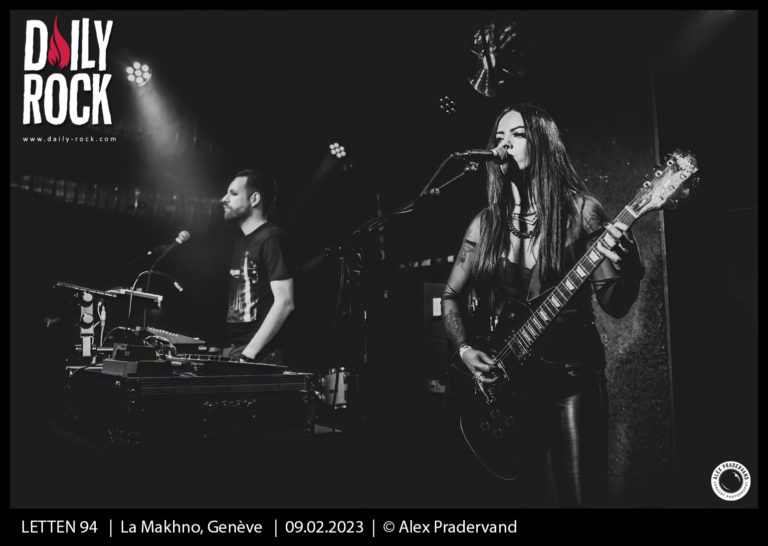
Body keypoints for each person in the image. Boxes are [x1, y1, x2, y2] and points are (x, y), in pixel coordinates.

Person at [441, 103, 644, 506]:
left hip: (571, 378)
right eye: (499, 137)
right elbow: (451, 296)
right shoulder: (485, 224)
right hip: (510, 381)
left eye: (517, 135)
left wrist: (631, 267)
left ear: (543, 143)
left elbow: (614, 304)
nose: (504, 144)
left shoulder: (581, 211)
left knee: (580, 497)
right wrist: (464, 349)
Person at [220, 169, 294, 364]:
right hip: (237, 350)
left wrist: (249, 354)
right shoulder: (240, 242)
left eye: (233, 193)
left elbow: (285, 302)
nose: (223, 199)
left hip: (261, 355)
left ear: (254, 199)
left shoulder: (271, 238)